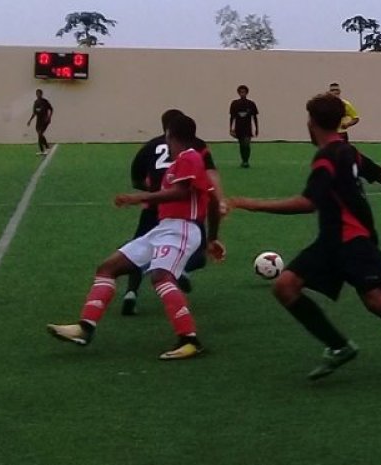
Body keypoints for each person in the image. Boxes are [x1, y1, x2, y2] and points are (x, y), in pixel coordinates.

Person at [228, 93, 381, 382]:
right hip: (330, 241)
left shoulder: (328, 158)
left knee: (376, 301)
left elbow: (308, 203)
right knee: (285, 286)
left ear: (312, 123)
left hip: (354, 241)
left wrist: (249, 203)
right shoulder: (347, 151)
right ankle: (338, 346)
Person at [47, 115, 226, 360]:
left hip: (182, 229)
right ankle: (85, 327)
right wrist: (212, 238)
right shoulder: (182, 162)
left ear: (169, 135)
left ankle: (189, 339)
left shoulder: (189, 158)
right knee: (108, 267)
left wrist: (137, 198)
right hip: (164, 229)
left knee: (161, 277)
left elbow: (181, 192)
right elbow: (214, 202)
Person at [122, 109, 225, 316]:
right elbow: (209, 174)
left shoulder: (150, 145)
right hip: (184, 211)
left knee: (136, 248)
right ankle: (180, 271)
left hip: (154, 207)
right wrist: (219, 199)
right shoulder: (196, 147)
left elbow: (136, 178)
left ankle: (131, 293)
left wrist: (153, 192)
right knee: (199, 250)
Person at [229, 85, 259, 168]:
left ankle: (246, 161)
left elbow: (255, 117)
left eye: (244, 92)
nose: (242, 94)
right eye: (241, 92)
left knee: (246, 144)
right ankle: (243, 160)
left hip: (247, 128)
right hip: (239, 128)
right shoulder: (234, 104)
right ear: (238, 93)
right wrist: (231, 128)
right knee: (241, 145)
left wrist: (256, 128)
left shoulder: (251, 104)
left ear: (247, 93)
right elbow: (232, 117)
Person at [27, 89, 53, 156]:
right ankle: (42, 150)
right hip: (38, 121)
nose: (38, 95)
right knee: (39, 135)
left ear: (41, 94)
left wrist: (49, 117)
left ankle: (47, 147)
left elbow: (51, 109)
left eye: (39, 93)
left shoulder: (45, 101)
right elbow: (34, 113)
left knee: (40, 134)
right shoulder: (35, 102)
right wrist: (30, 120)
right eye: (37, 93)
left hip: (45, 120)